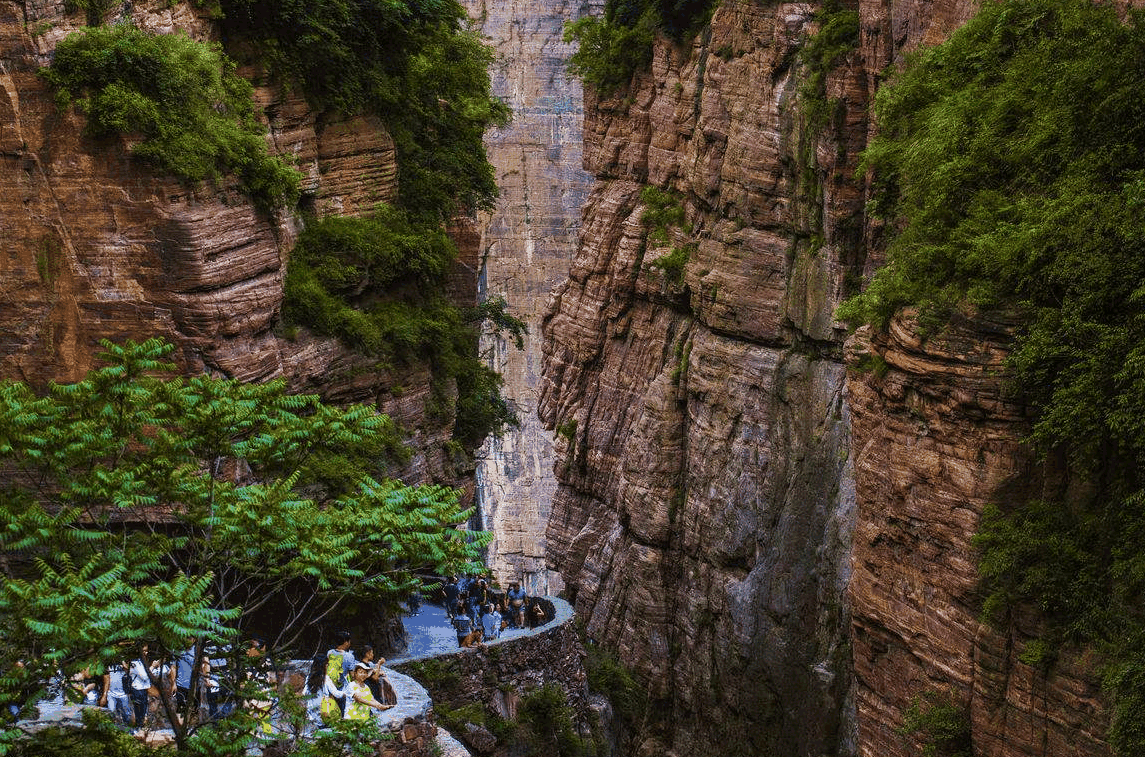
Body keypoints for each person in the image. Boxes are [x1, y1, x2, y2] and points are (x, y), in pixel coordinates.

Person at [318, 631, 352, 724]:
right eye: (349, 641)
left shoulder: (330, 652)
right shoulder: (349, 656)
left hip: (328, 682)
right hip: (339, 685)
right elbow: (352, 674)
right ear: (345, 642)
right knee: (342, 705)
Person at [101, 659, 133, 726]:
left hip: (124, 694)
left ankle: (127, 729)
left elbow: (130, 673)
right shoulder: (109, 666)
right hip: (112, 693)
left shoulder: (126, 663)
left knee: (126, 714)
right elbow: (106, 681)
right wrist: (104, 695)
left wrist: (123, 663)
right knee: (111, 711)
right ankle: (113, 728)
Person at [128, 645, 153, 730]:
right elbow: (145, 676)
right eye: (144, 651)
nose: (146, 653)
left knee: (143, 711)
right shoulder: (135, 663)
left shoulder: (143, 662)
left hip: (143, 689)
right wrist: (153, 666)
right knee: (139, 712)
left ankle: (140, 729)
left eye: (147, 651)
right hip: (137, 690)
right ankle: (138, 729)